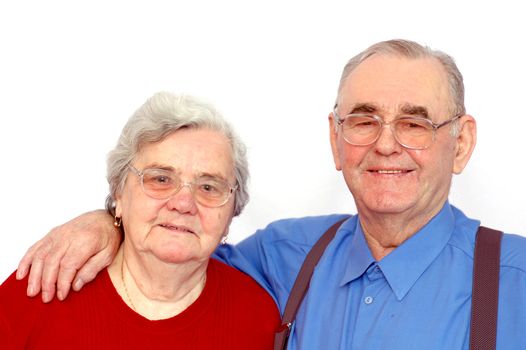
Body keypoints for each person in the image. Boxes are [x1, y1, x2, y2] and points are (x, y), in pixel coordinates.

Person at [14, 40, 526, 349]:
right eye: (364, 120)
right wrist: (109, 218)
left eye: (415, 123)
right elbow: (175, 248)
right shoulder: (286, 257)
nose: (386, 144)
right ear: (335, 139)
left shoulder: (517, 284)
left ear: (461, 145)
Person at [0, 92, 280, 349]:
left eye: (208, 187)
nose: (183, 203)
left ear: (232, 210)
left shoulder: (258, 319)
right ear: (119, 193)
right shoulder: (40, 289)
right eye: (160, 179)